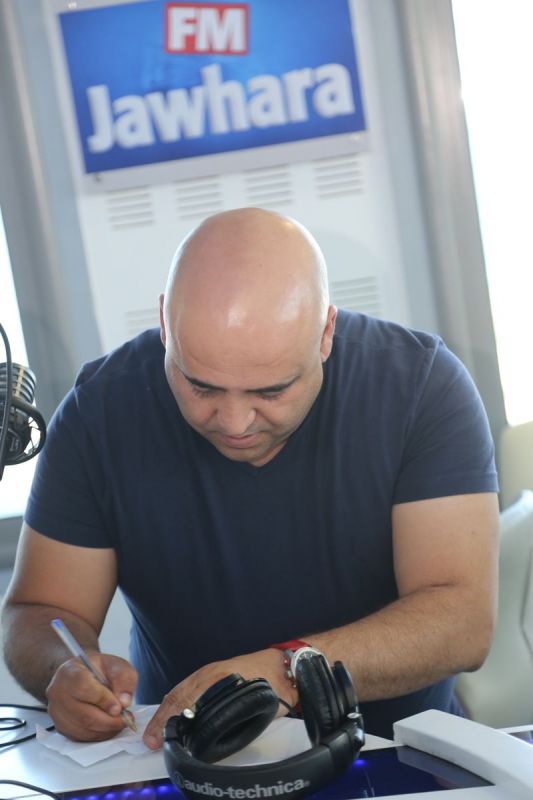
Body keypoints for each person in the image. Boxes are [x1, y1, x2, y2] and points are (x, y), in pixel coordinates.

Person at [1, 208, 499, 748]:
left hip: (397, 753)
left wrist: (290, 670)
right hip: (185, 761)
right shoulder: (100, 412)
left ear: (325, 333)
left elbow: (462, 620)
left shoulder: (420, 388)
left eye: (271, 391)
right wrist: (62, 672)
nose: (235, 423)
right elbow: (40, 610)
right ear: (165, 324)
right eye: (201, 386)